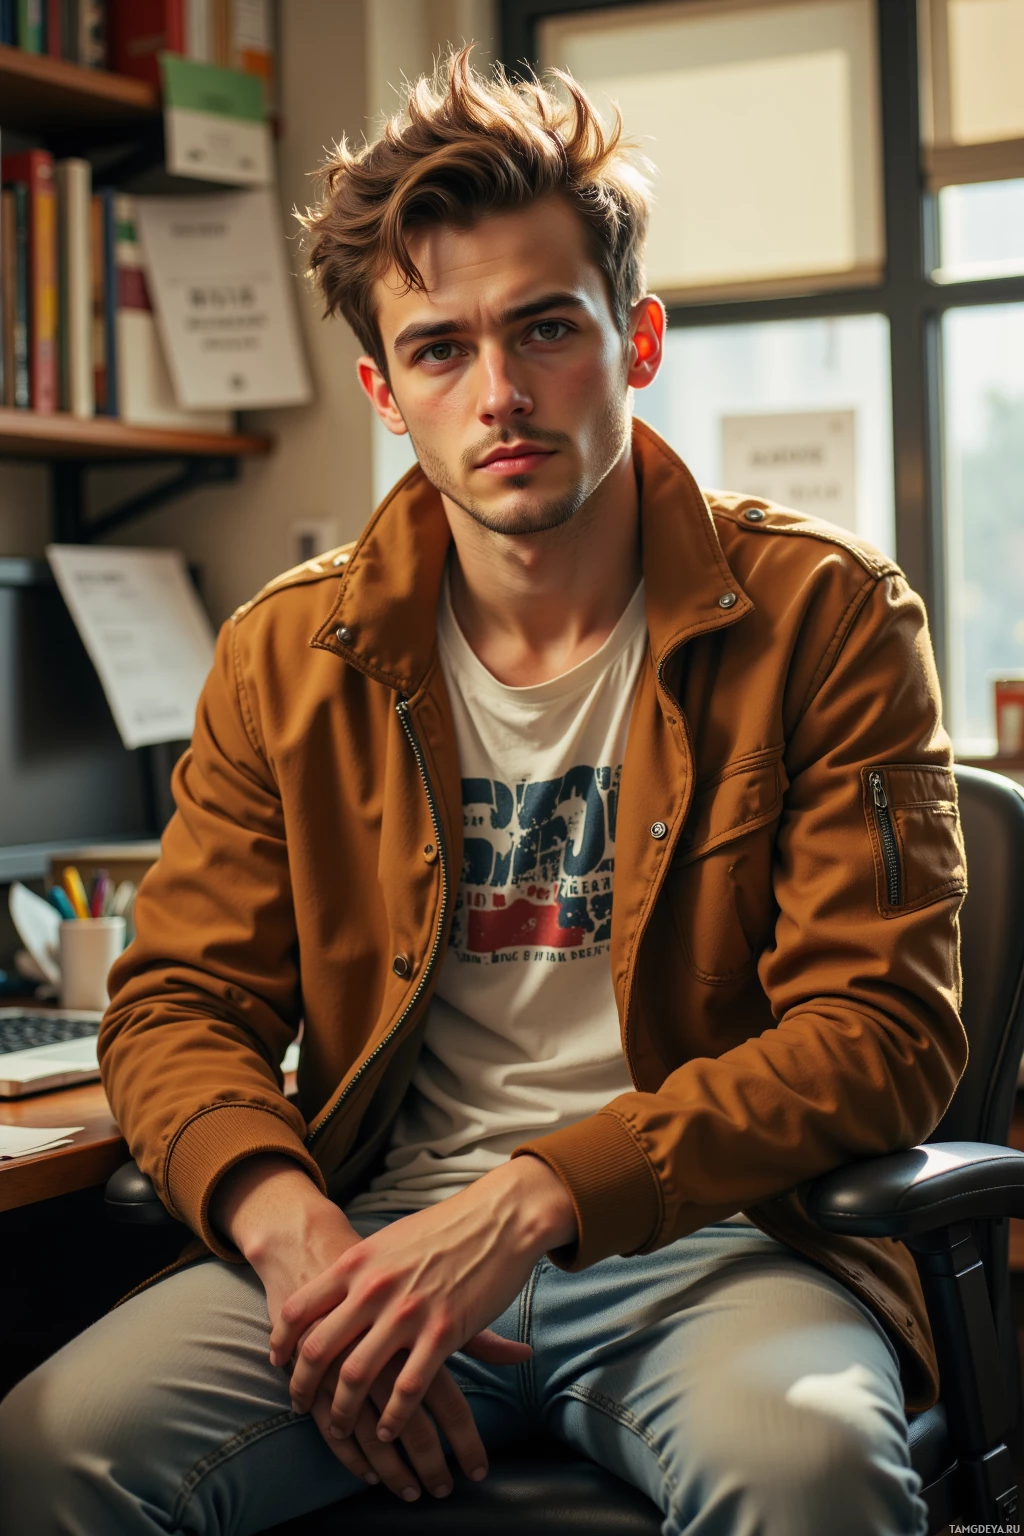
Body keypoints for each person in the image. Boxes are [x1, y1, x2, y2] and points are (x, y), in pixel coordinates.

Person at [0, 49, 968, 1536]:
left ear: (636, 339)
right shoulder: (287, 653)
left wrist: (531, 1200)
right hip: (376, 1242)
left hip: (716, 1248)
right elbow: (176, 1003)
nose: (501, 393)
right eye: (441, 350)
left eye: (545, 329)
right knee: (52, 1449)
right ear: (385, 392)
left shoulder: (828, 616)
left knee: (810, 1471)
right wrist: (290, 1228)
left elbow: (879, 1036)